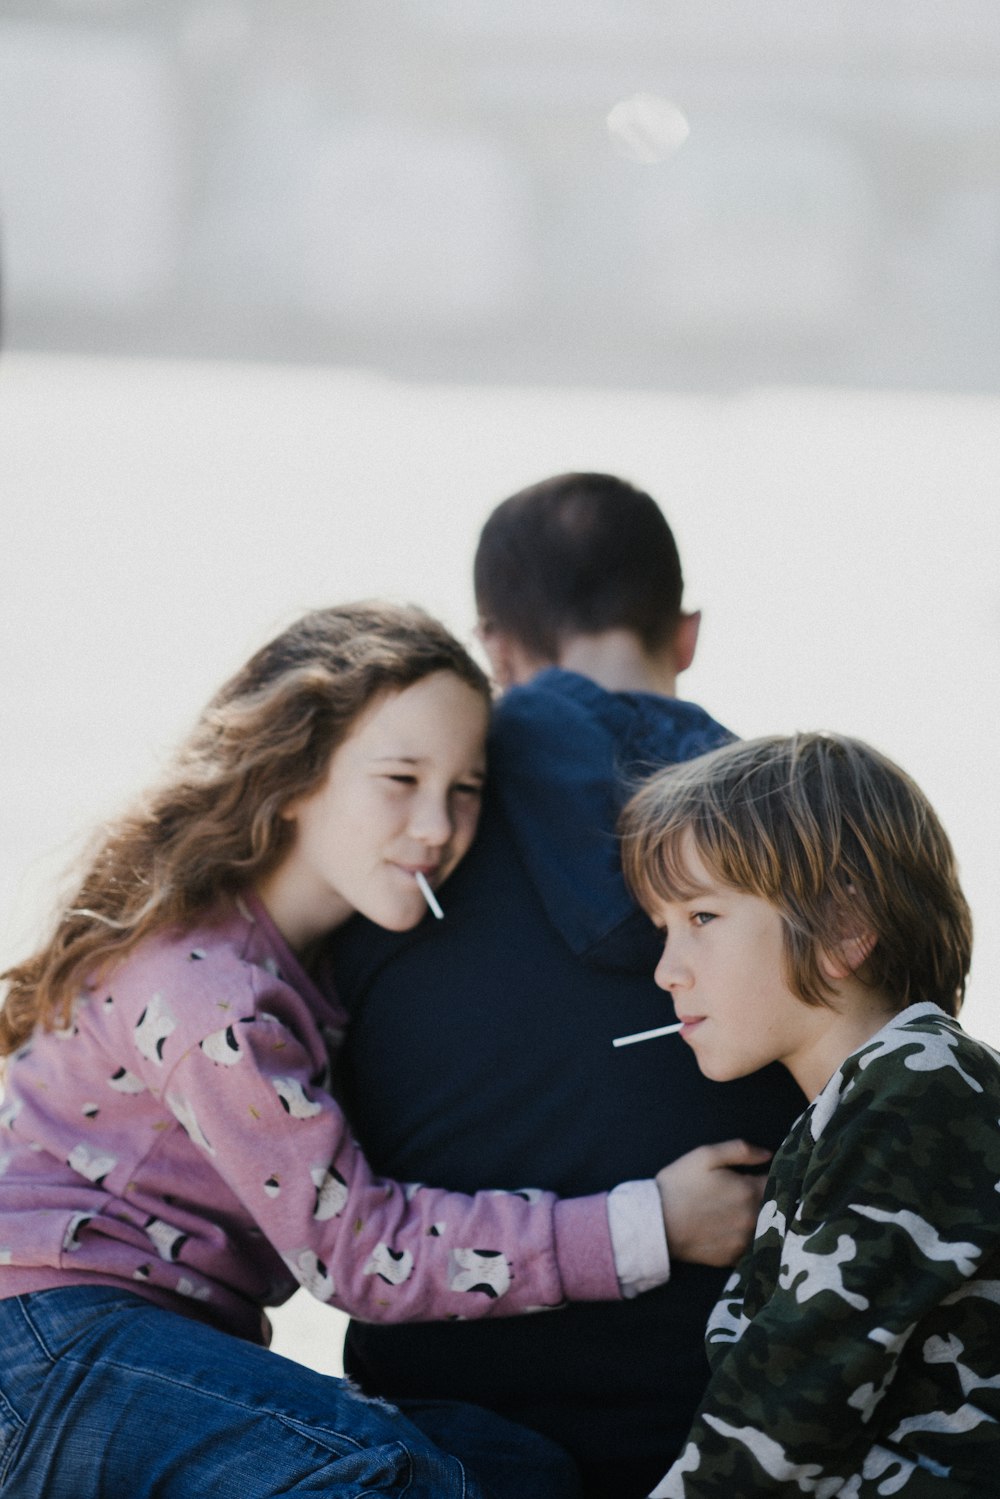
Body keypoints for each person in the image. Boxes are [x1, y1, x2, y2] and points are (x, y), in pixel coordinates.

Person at [0, 600, 704, 1499]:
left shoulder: (307, 972)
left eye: (466, 787)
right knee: (403, 1482)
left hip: (133, 1347)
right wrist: (652, 1222)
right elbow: (362, 1251)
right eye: (400, 778)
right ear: (294, 775)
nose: (438, 826)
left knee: (520, 1470)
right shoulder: (210, 995)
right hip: (47, 1342)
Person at [330, 475, 806, 1497]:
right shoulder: (807, 834)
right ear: (684, 633)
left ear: (494, 650)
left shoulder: (401, 837)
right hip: (720, 1431)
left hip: (431, 1435)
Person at [619, 732, 998, 1498]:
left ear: (841, 928)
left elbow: (787, 1411)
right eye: (663, 928)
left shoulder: (920, 1088)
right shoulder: (855, 1101)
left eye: (700, 917)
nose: (666, 970)